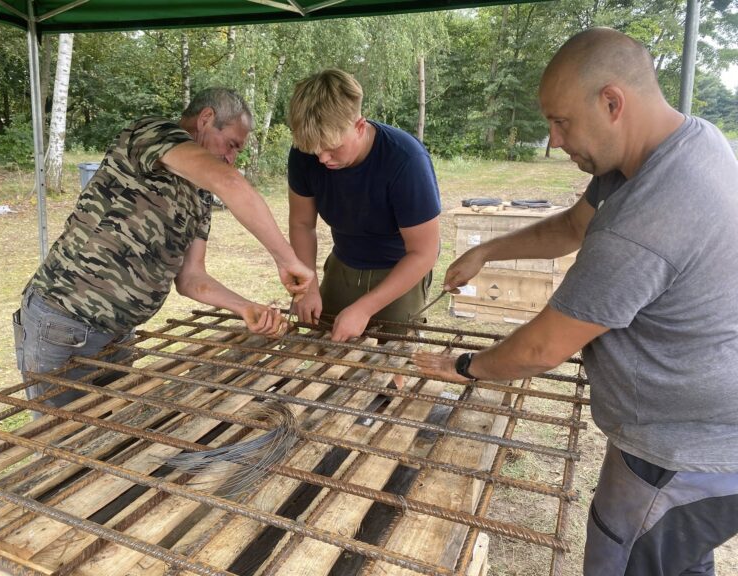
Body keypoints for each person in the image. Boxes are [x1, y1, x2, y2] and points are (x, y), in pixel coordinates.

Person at [413, 28, 738, 576]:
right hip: (707, 428)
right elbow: (571, 225)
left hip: (682, 452)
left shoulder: (649, 215)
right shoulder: (685, 141)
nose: (555, 140)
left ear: (612, 102)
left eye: (561, 121)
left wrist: (466, 366)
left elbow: (542, 347)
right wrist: (488, 251)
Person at [14, 87, 313, 409]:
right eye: (231, 145)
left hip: (118, 332)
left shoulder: (199, 194)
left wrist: (245, 308)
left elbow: (191, 278)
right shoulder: (150, 133)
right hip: (64, 322)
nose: (231, 158)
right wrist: (287, 259)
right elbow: (230, 183)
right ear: (207, 118)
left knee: (108, 437)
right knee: (61, 445)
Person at [287, 69, 441, 343]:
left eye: (332, 148)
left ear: (359, 126)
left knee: (391, 362)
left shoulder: (405, 160)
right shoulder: (305, 153)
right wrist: (307, 287)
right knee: (331, 349)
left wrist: (365, 308)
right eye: (315, 150)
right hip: (343, 262)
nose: (322, 158)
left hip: (399, 269)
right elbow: (302, 224)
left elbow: (424, 252)